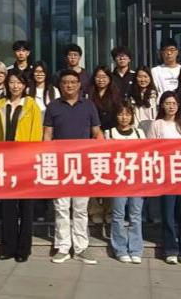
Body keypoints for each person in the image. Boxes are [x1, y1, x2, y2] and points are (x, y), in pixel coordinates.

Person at [45, 69, 103, 265]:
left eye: (72, 82)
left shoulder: (88, 105)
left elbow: (97, 133)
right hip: (60, 164)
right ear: (60, 86)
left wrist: (99, 151)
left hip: (82, 165)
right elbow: (47, 135)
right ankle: (62, 247)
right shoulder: (53, 106)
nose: (69, 85)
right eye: (65, 82)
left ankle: (81, 248)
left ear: (79, 85)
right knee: (61, 208)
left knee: (80, 209)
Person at [0, 70, 43, 262]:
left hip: (25, 163)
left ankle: (23, 249)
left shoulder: (31, 105)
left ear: (25, 85)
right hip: (6, 162)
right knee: (8, 207)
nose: (15, 86)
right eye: (12, 82)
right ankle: (8, 247)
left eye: (19, 82)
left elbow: (36, 134)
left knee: (26, 207)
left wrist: (31, 159)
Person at [148, 91, 181, 265]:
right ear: (162, 105)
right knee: (168, 215)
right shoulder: (157, 124)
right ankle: (170, 250)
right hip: (166, 174)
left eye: (174, 103)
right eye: (167, 103)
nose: (171, 106)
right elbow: (151, 148)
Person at [105, 102, 145, 264]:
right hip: (118, 179)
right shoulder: (109, 133)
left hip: (137, 179)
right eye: (121, 114)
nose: (124, 117)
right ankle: (120, 249)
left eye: (127, 114)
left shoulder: (140, 133)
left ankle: (136, 249)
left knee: (135, 215)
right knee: (118, 215)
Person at [87, 66, 119, 225]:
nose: (101, 80)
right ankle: (95, 210)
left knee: (108, 175)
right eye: (98, 76)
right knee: (92, 175)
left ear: (109, 79)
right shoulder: (88, 94)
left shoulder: (115, 95)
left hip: (111, 137)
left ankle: (109, 210)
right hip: (91, 137)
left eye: (104, 77)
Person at [127, 66, 158, 134]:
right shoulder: (131, 96)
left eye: (145, 77)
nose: (143, 80)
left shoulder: (155, 95)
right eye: (140, 77)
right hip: (136, 131)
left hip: (152, 130)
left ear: (150, 78)